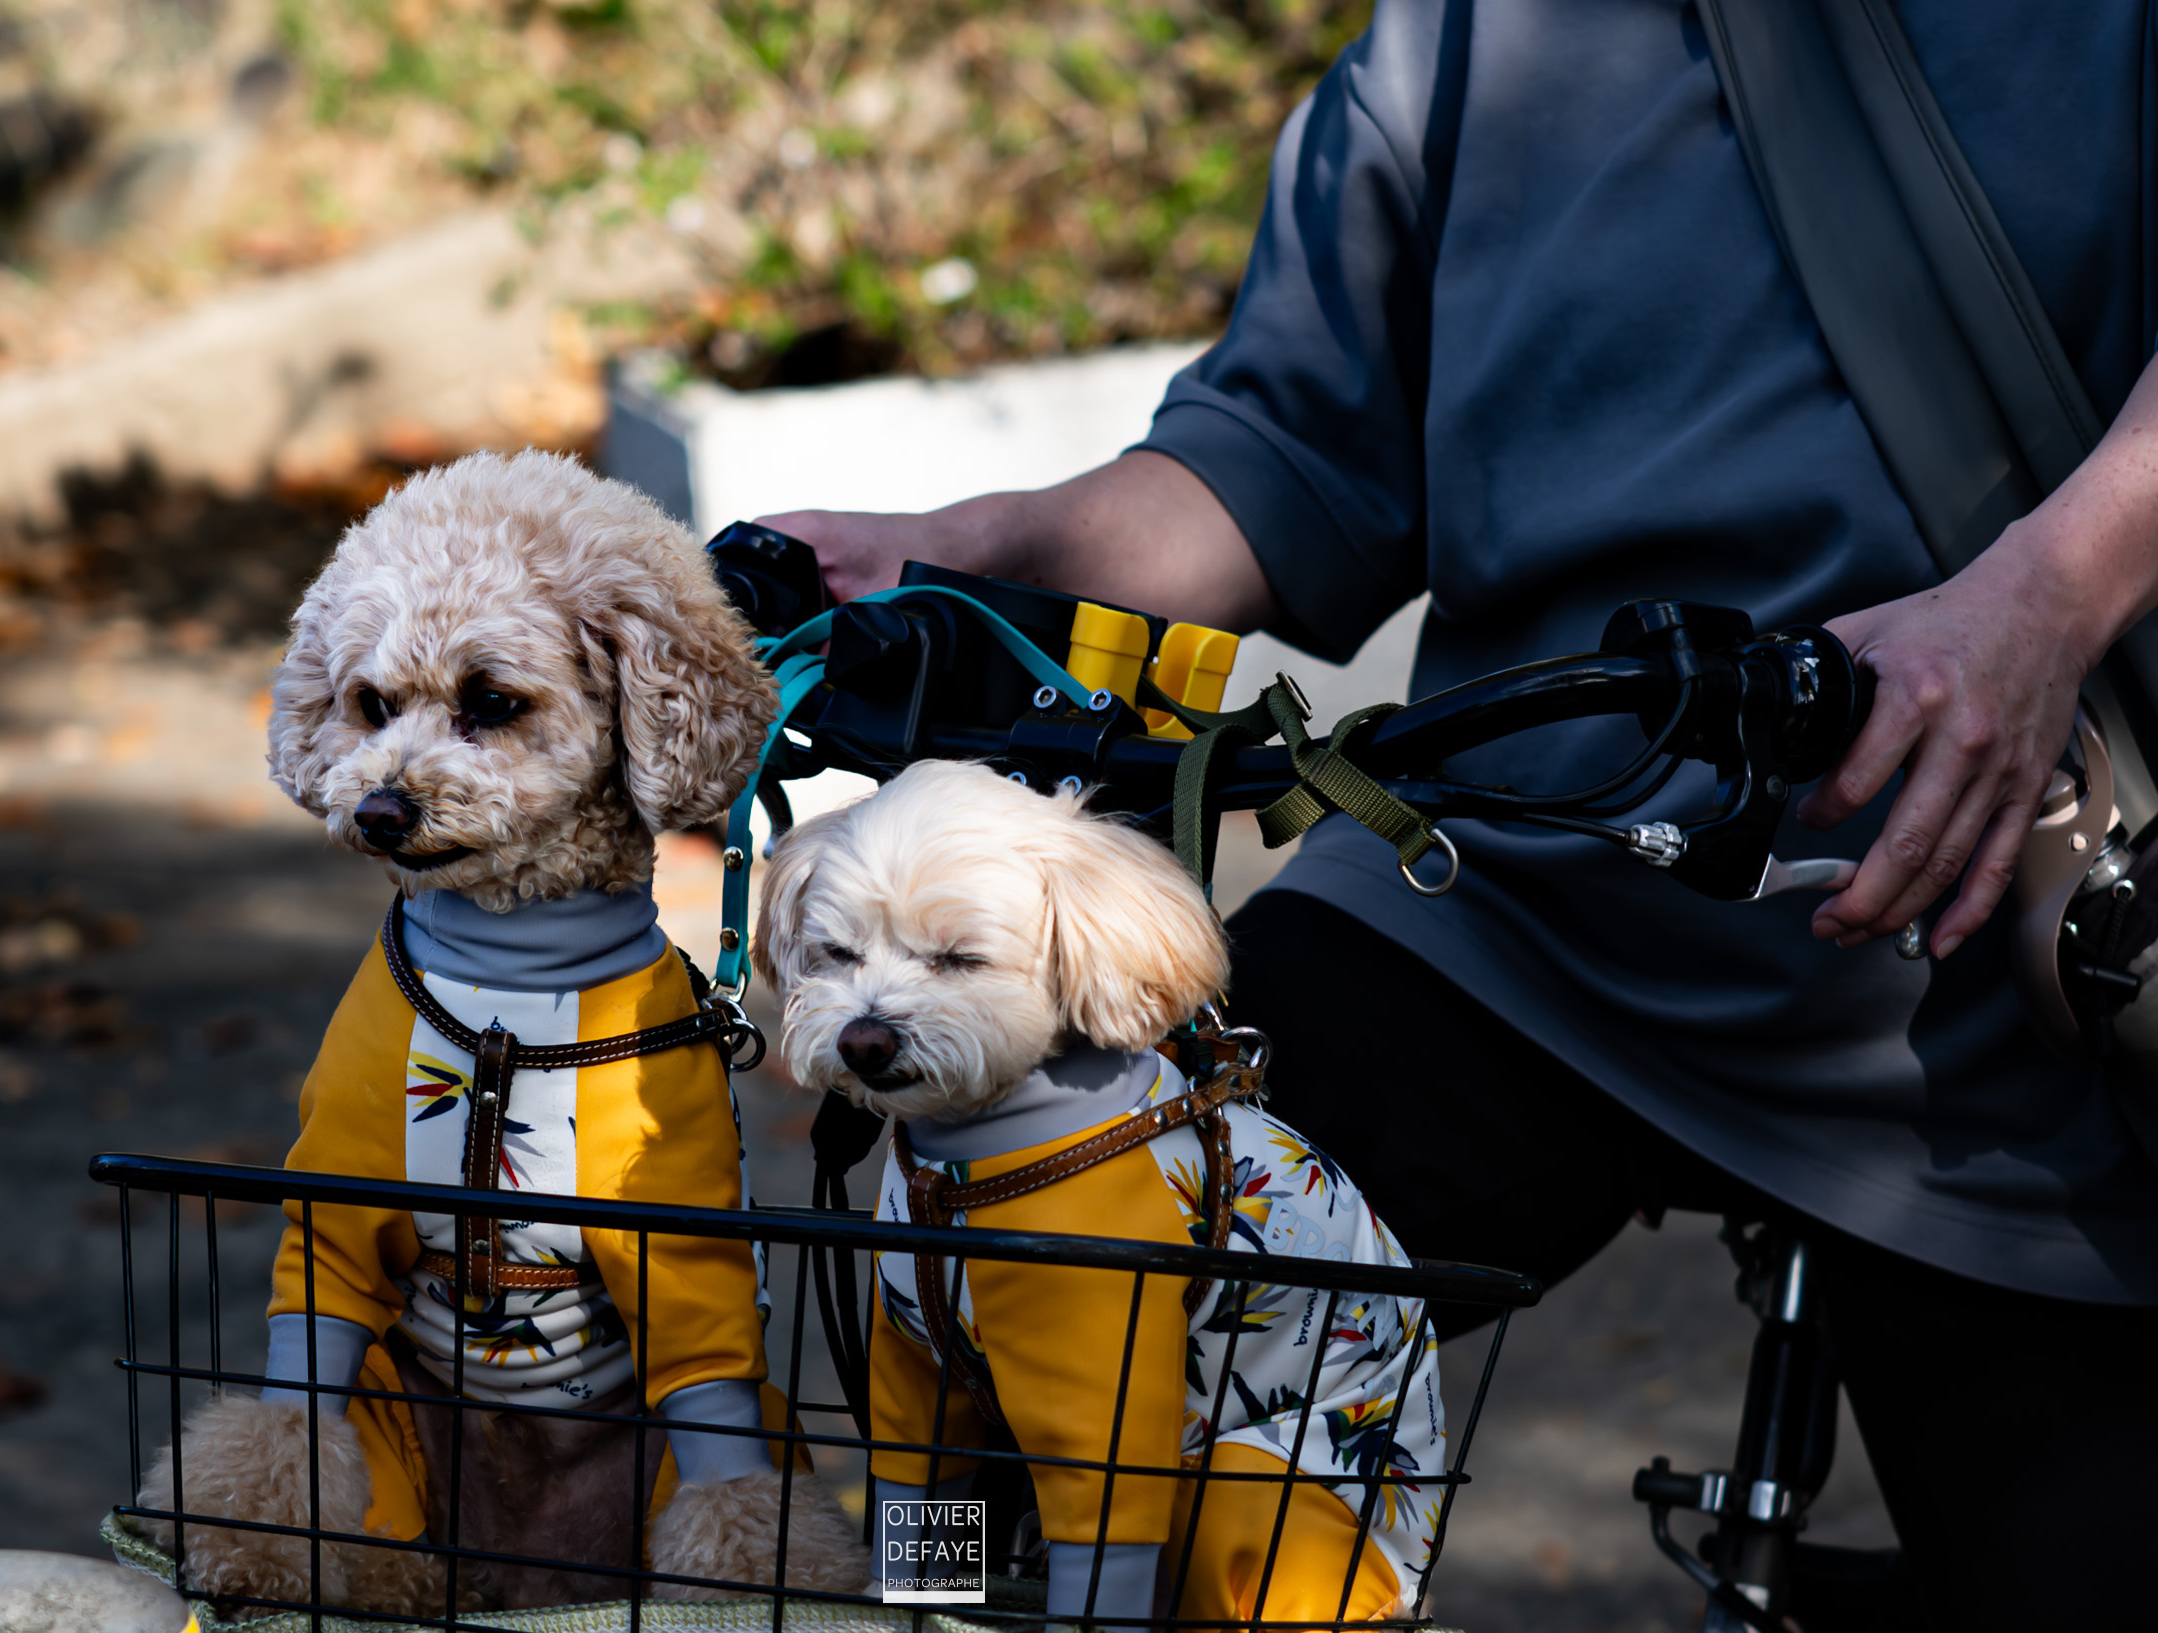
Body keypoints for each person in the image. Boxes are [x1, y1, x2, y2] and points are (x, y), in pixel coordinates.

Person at [759, 3, 2158, 1626]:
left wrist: (2049, 597)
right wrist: (974, 547)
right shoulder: (1474, 30)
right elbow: (1285, 459)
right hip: (1504, 894)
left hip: (2002, 954)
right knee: (1032, 1313)